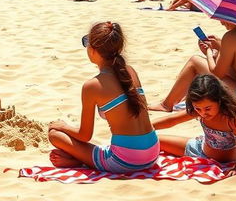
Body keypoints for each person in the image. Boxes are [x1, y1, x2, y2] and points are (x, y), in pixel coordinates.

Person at [48, 21, 160, 173]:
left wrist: (63, 126)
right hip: (153, 152)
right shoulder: (130, 71)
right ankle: (81, 159)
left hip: (126, 161)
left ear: (93, 50)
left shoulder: (92, 86)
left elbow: (85, 135)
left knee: (55, 135)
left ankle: (80, 161)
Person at [149, 20, 236, 113]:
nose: (221, 22)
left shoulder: (231, 36)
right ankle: (179, 97)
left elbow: (217, 73)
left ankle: (166, 105)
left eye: (223, 18)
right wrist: (219, 48)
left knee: (195, 61)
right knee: (208, 64)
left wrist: (208, 53)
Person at [153, 74, 236, 172]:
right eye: (198, 108)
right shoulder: (197, 112)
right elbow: (172, 120)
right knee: (154, 139)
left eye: (208, 108)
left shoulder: (232, 118)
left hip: (226, 161)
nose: (203, 113)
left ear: (219, 100)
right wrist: (149, 127)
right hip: (198, 150)